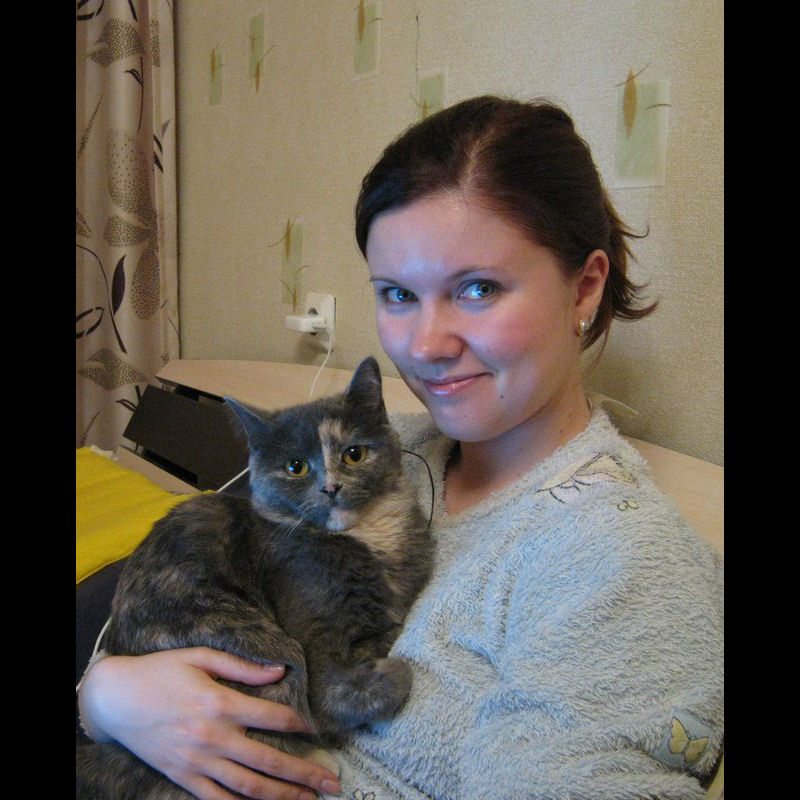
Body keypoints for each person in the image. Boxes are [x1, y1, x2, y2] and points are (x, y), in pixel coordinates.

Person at [77, 96, 724, 800]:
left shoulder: (617, 557)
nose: (425, 345)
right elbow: (150, 623)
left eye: (477, 288)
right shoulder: (390, 450)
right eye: (397, 294)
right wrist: (105, 698)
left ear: (585, 289)